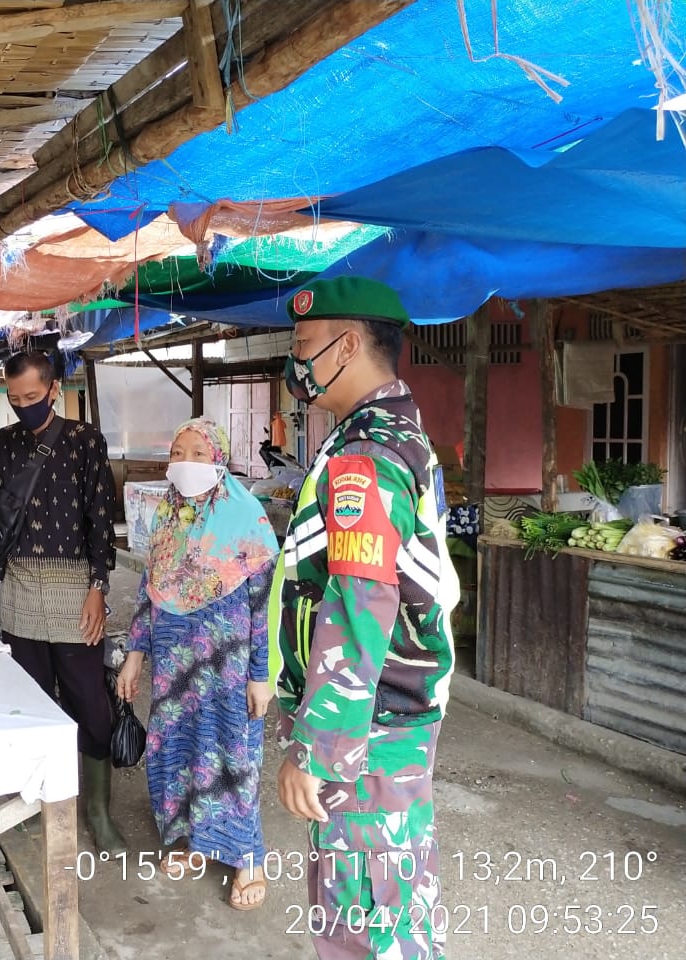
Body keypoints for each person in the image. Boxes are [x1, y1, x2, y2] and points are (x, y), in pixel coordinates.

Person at [272, 276, 458, 959]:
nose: (296, 360)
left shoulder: (366, 456)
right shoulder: (387, 433)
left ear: (347, 345)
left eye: (303, 344)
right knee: (393, 903)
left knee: (366, 921)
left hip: (368, 729)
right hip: (383, 726)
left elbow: (360, 607)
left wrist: (316, 751)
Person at [0, 351, 125, 852]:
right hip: (21, 590)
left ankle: (98, 810)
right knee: (30, 702)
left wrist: (98, 589)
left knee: (90, 700)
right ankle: (35, 799)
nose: (23, 406)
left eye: (31, 397)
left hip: (74, 590)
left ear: (53, 388)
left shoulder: (85, 441)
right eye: (14, 398)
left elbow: (99, 520)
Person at [115, 419, 279, 910]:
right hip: (173, 666)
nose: (185, 462)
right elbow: (149, 594)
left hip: (227, 669)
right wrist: (134, 657)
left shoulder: (247, 518)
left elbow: (264, 608)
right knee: (179, 751)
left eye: (197, 453)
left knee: (231, 757)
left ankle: (247, 857)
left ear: (219, 461)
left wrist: (261, 675)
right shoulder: (166, 519)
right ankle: (189, 841)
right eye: (177, 452)